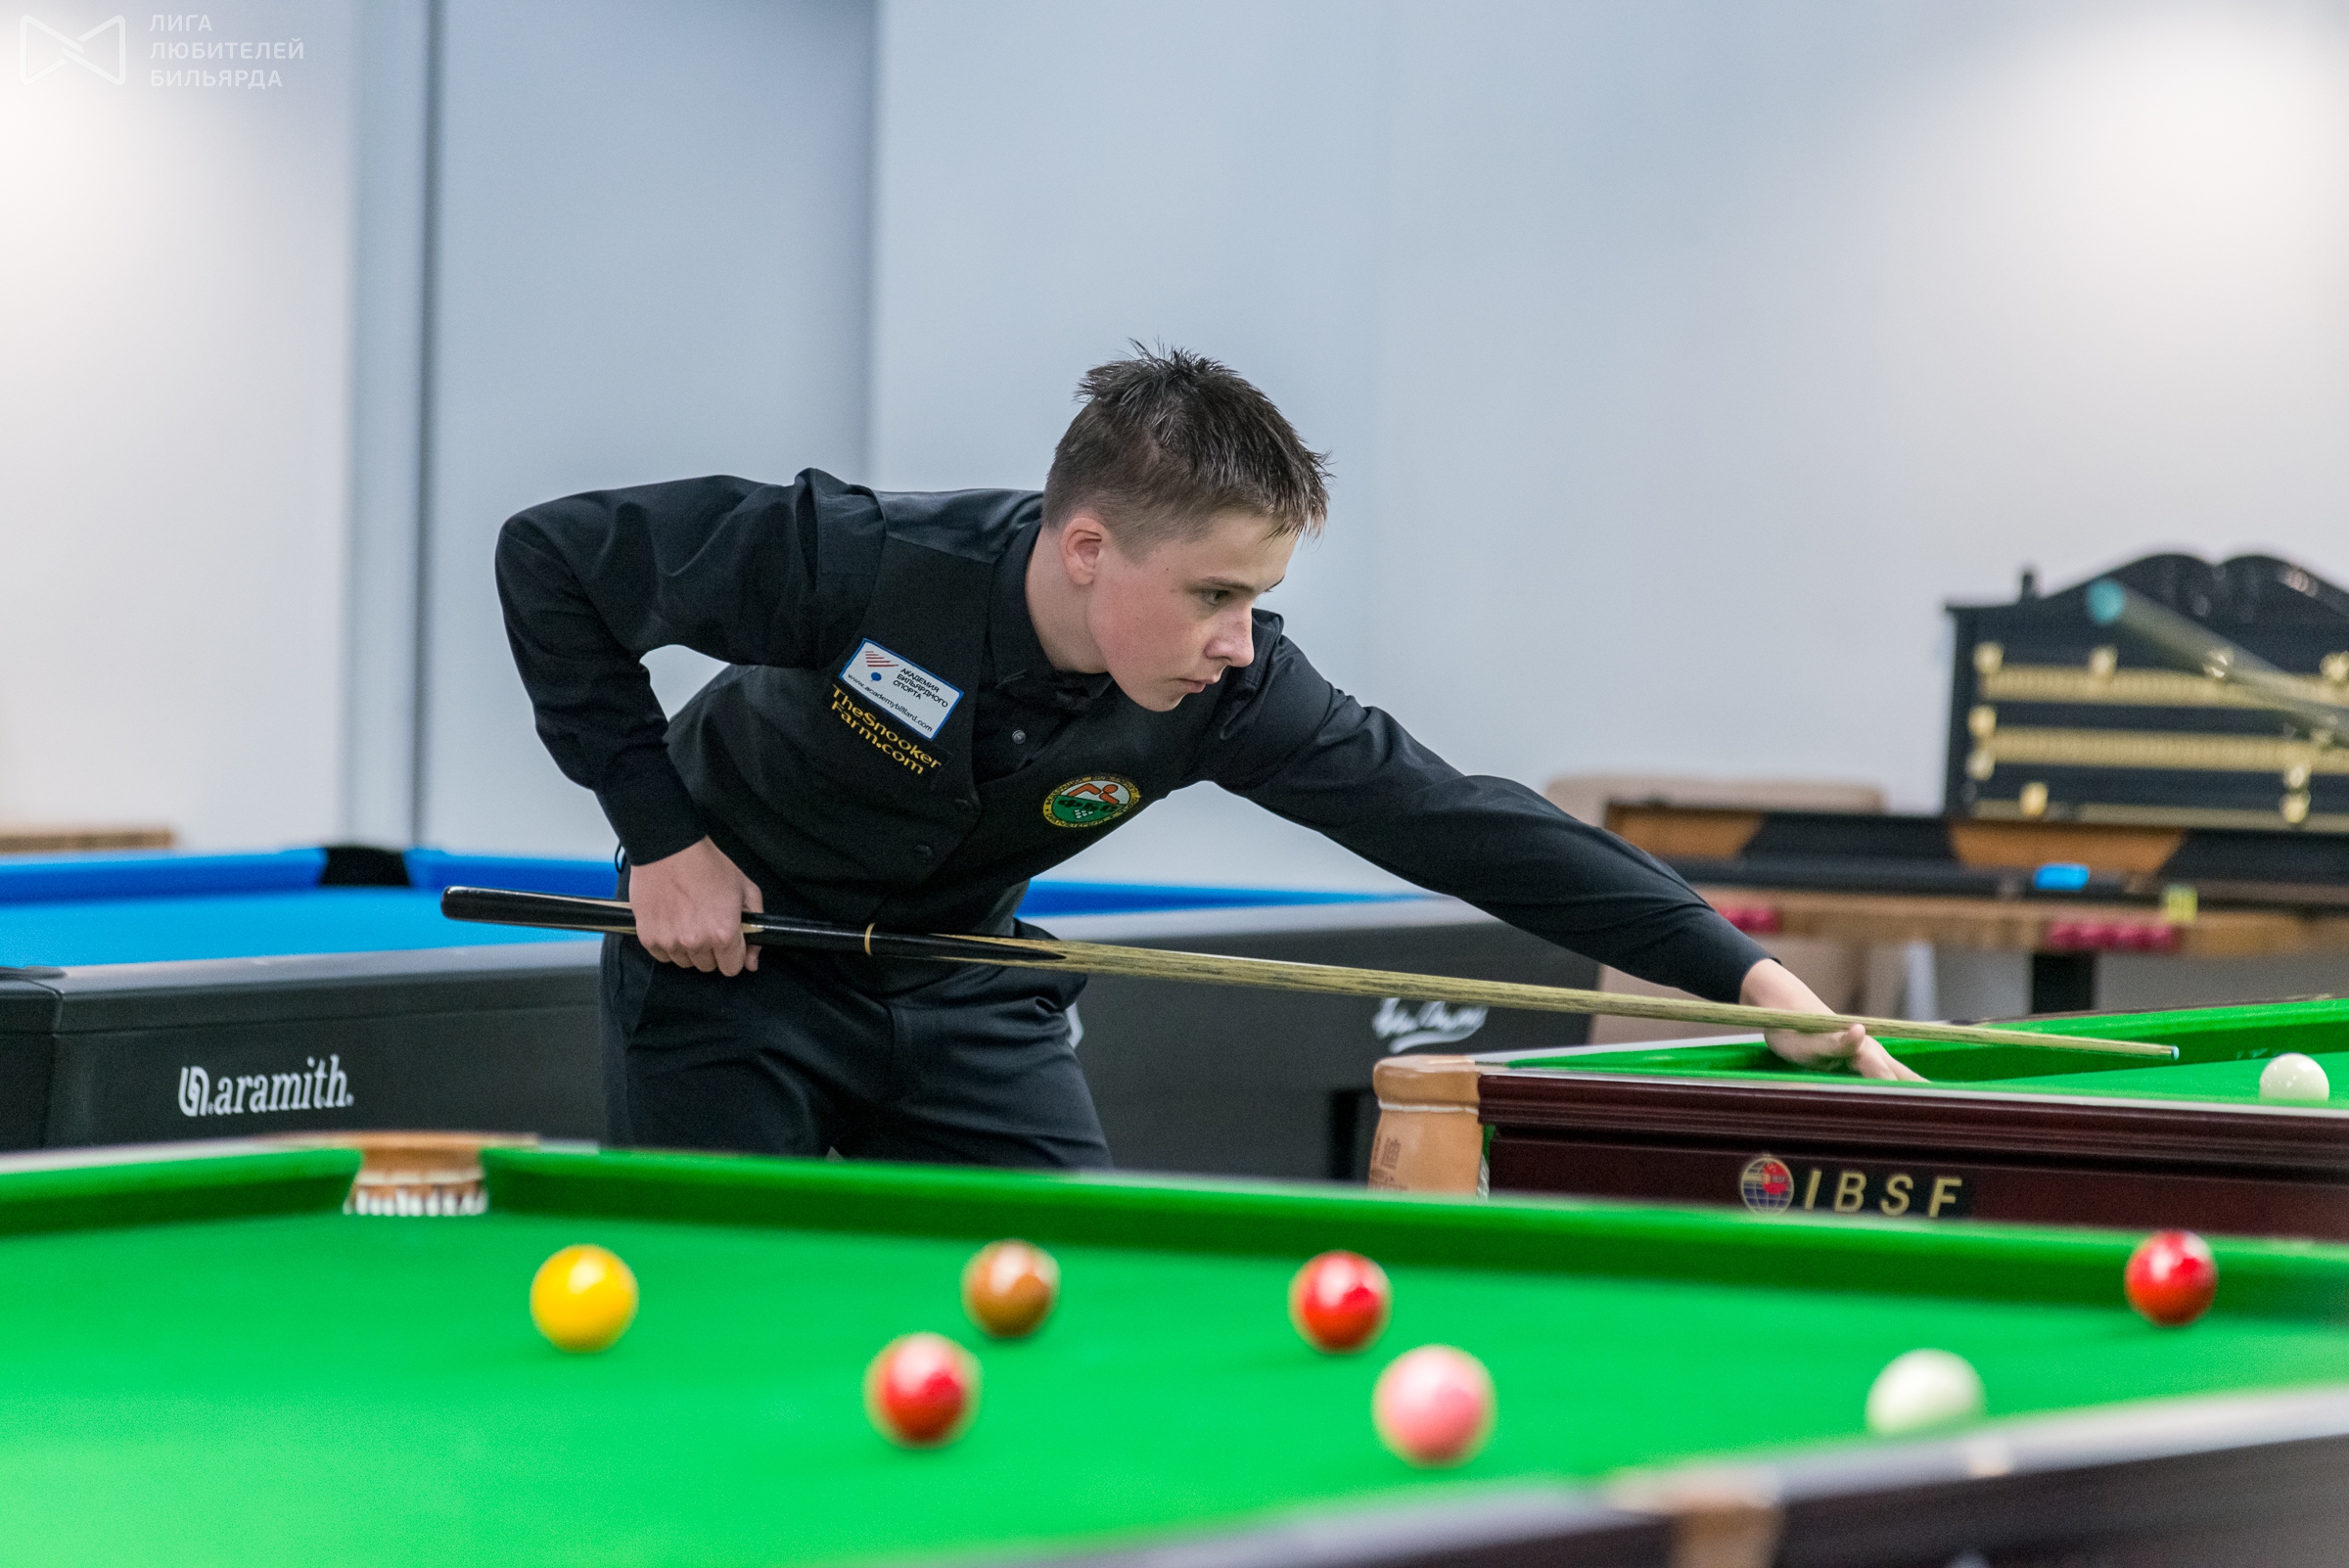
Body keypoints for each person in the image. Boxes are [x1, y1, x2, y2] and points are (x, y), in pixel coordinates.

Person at [497, 347, 1918, 1167]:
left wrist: (1746, 975)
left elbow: (1465, 823)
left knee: (1071, 1307)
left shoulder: (1231, 694)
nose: (1240, 639)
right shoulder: (862, 560)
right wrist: (663, 840)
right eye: (1214, 594)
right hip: (733, 979)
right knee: (728, 1323)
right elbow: (551, 560)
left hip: (965, 983)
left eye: (1259, 596)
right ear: (1088, 547)